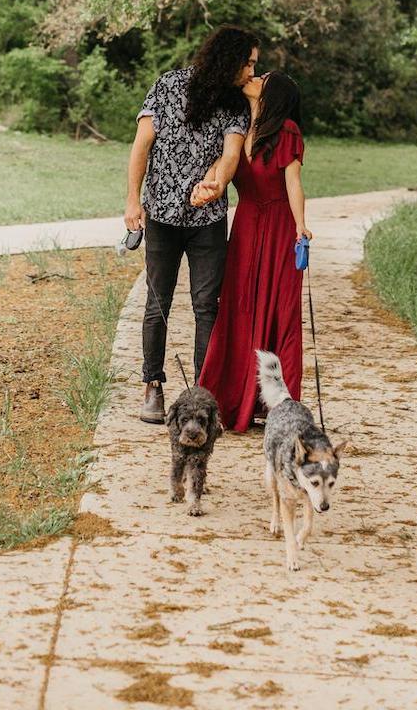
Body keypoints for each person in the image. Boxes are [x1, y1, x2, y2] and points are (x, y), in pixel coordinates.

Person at [125, 26, 260, 424]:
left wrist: (216, 183)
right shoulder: (167, 85)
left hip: (207, 220)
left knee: (206, 306)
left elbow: (231, 154)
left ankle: (202, 395)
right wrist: (132, 199)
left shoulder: (236, 103)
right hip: (161, 215)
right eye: (248, 63)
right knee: (157, 303)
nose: (252, 72)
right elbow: (141, 146)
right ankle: (152, 385)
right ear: (229, 59)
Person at [195, 71, 311, 433]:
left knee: (279, 311)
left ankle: (278, 405)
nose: (253, 77)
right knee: (239, 305)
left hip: (279, 226)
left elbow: (294, 184)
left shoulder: (287, 131)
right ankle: (233, 398)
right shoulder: (239, 127)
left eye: (262, 78)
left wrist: (301, 226)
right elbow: (222, 168)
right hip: (246, 224)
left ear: (272, 94)